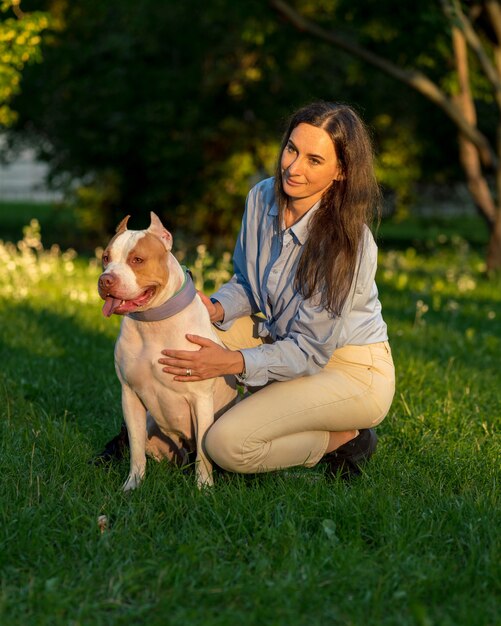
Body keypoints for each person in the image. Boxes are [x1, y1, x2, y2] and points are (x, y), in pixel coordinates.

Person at [96, 101, 395, 478]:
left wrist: (235, 362)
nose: (293, 167)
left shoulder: (346, 243)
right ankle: (150, 430)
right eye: (291, 149)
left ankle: (344, 440)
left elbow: (310, 351)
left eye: (314, 160)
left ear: (341, 172)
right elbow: (249, 284)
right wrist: (215, 308)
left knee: (226, 445)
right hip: (280, 337)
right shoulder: (262, 197)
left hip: (348, 368)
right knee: (191, 333)